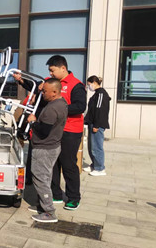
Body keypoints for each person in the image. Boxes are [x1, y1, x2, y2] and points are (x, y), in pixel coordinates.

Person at [46, 55, 86, 211]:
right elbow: (37, 87)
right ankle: (56, 194)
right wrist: (21, 80)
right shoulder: (52, 82)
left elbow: (80, 106)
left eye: (52, 70)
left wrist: (59, 109)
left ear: (63, 68)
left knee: (68, 164)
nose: (50, 74)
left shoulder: (76, 85)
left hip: (71, 131)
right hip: (55, 130)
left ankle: (74, 198)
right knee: (53, 163)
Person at [26, 78, 68, 223]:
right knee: (45, 177)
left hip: (44, 148)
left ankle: (49, 212)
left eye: (45, 91)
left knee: (41, 178)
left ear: (54, 92)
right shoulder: (61, 103)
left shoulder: (52, 108)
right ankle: (42, 205)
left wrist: (32, 121)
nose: (42, 93)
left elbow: (44, 131)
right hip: (52, 146)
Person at [84, 76, 111, 176]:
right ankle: (94, 165)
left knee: (96, 147)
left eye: (89, 84)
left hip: (97, 125)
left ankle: (100, 168)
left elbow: (100, 111)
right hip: (92, 123)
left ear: (94, 83)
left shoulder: (101, 94)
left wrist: (97, 125)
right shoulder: (96, 94)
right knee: (91, 146)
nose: (89, 87)